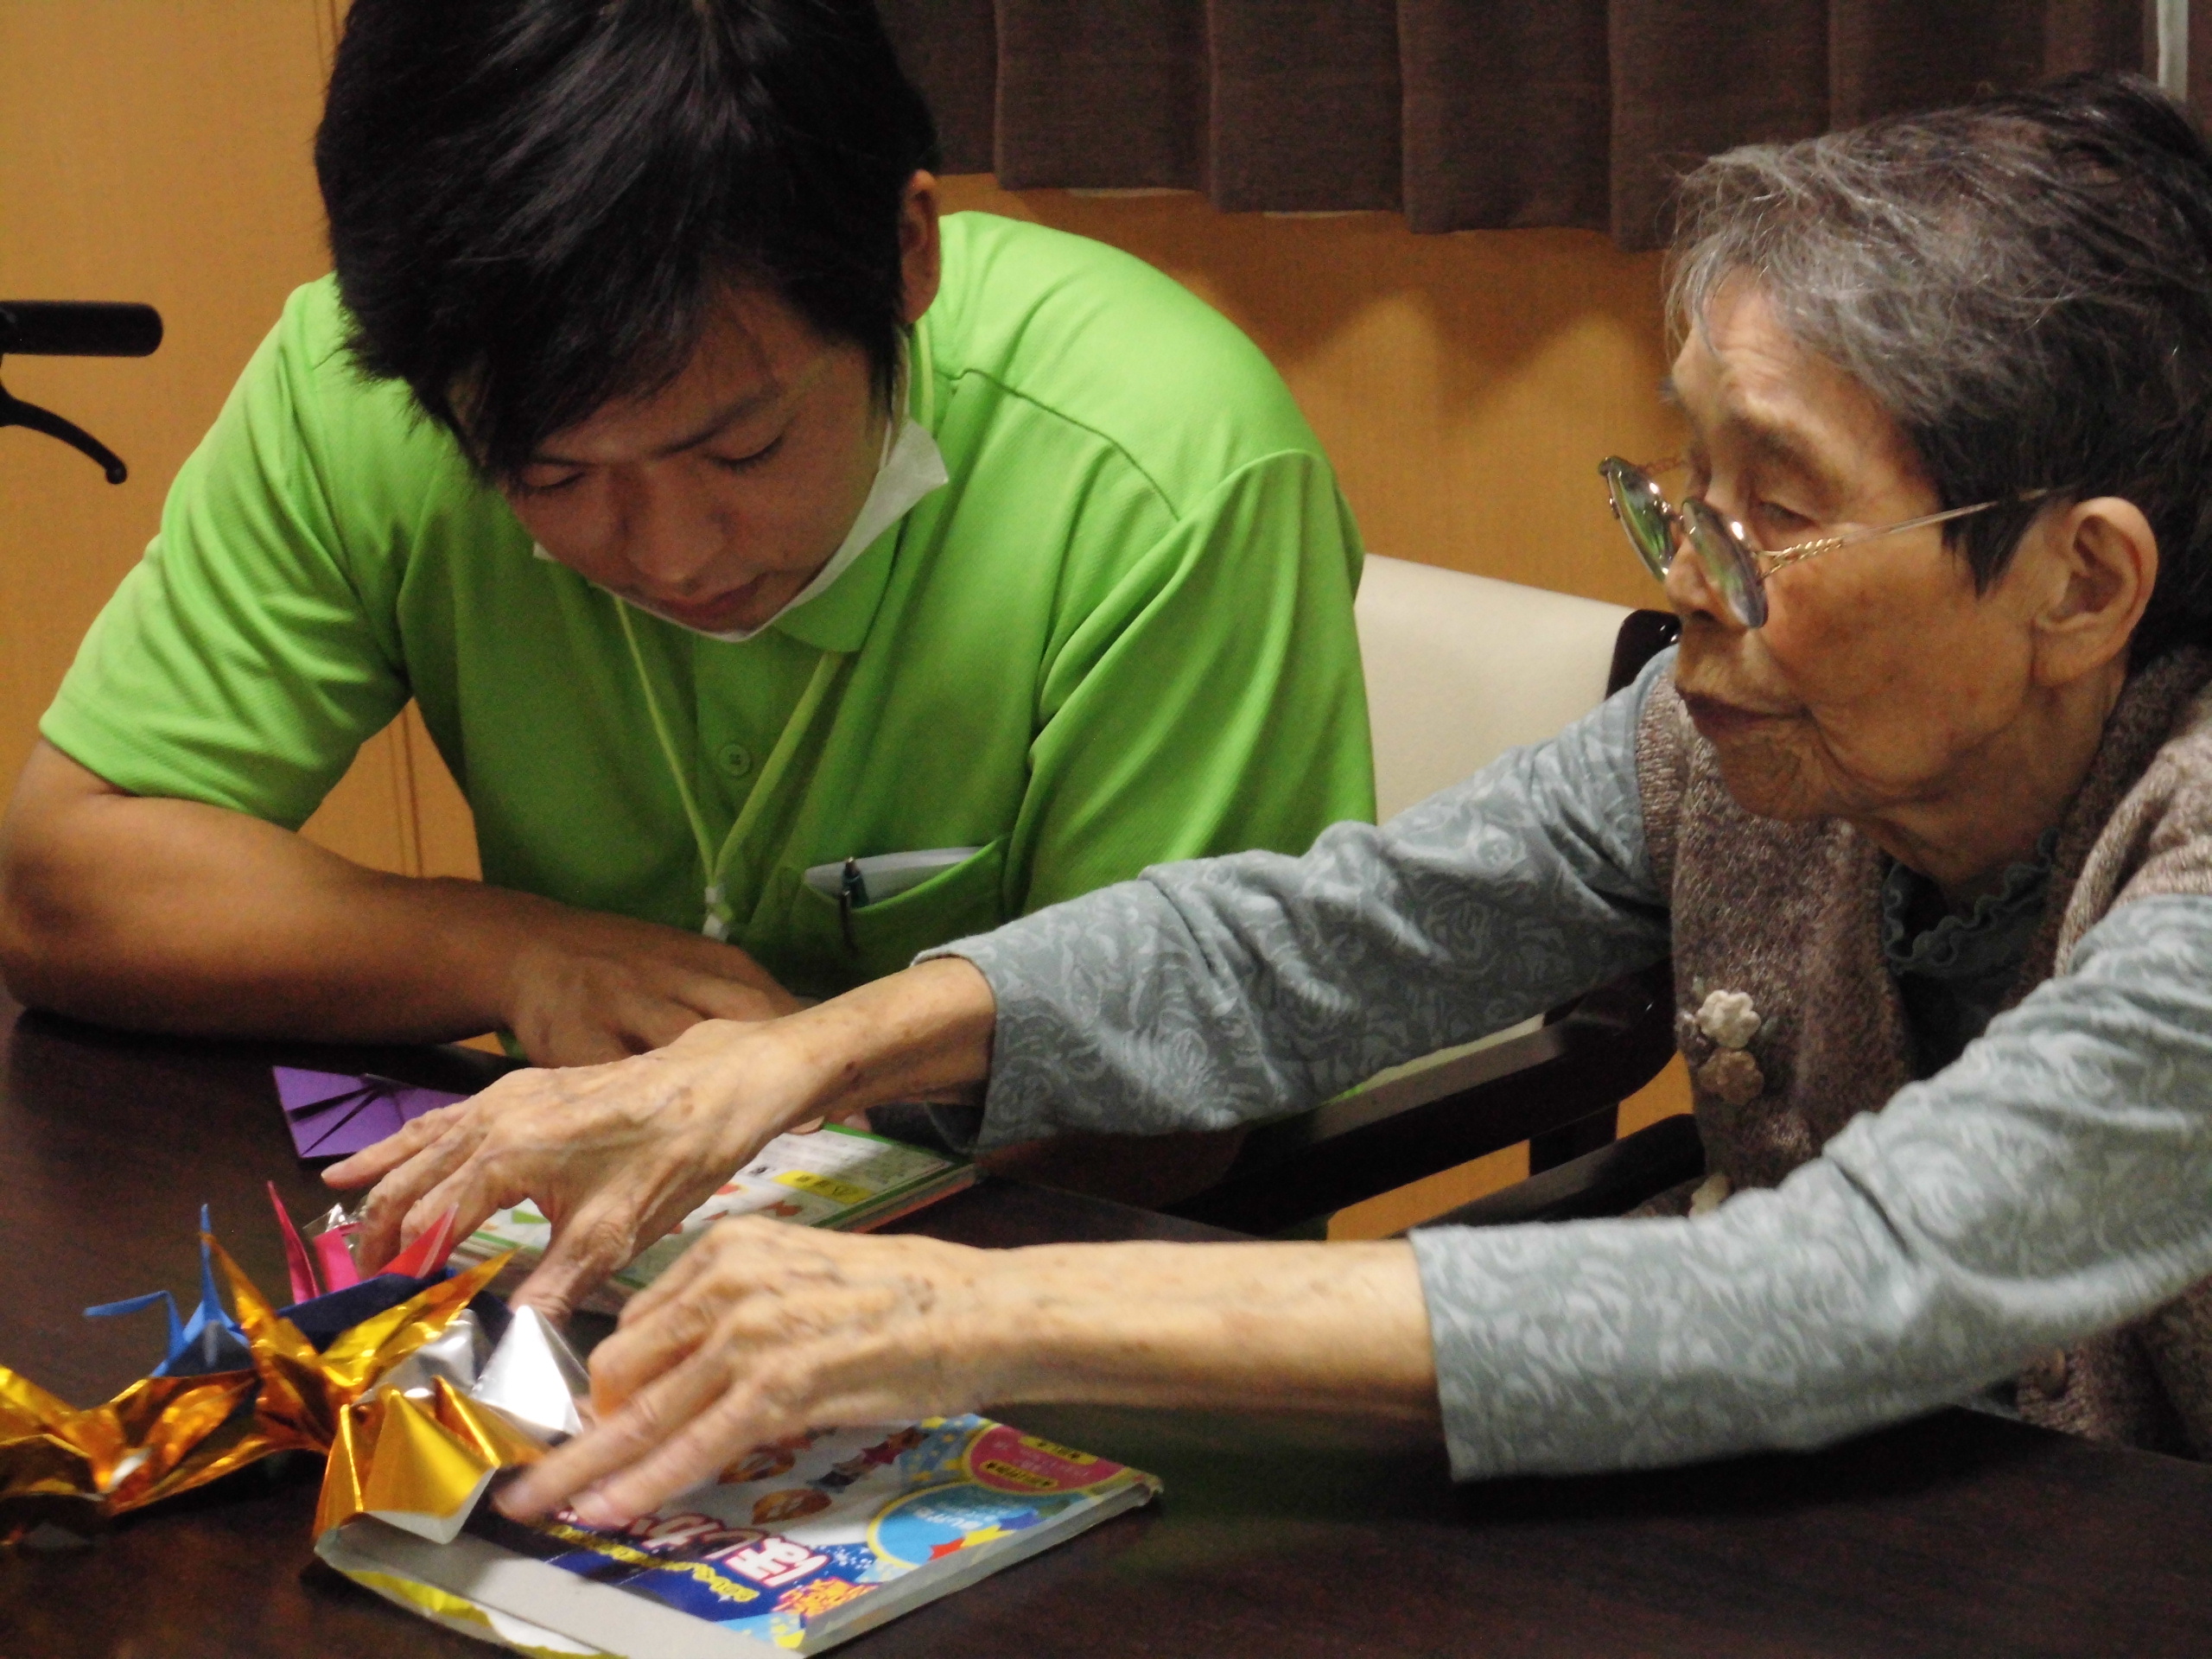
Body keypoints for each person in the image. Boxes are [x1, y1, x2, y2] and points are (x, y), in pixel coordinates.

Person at [340, 71, 2212, 1529]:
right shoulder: (1738, 737)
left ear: (2081, 584)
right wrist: (801, 1058)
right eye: (1681, 490)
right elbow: (1318, 938)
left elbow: (1842, 1281)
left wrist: (955, 1318)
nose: (1685, 579)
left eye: (1772, 513)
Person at [0, 0, 1373, 1072]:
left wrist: (803, 1078)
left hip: (1063, 1303)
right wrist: (519, 955)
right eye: (549, 474)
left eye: (741, 448)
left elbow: (1179, 1089)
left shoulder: (1159, 466)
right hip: (588, 1288)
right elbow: (65, 885)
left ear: (906, 251)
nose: (669, 556)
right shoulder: (380, 396)